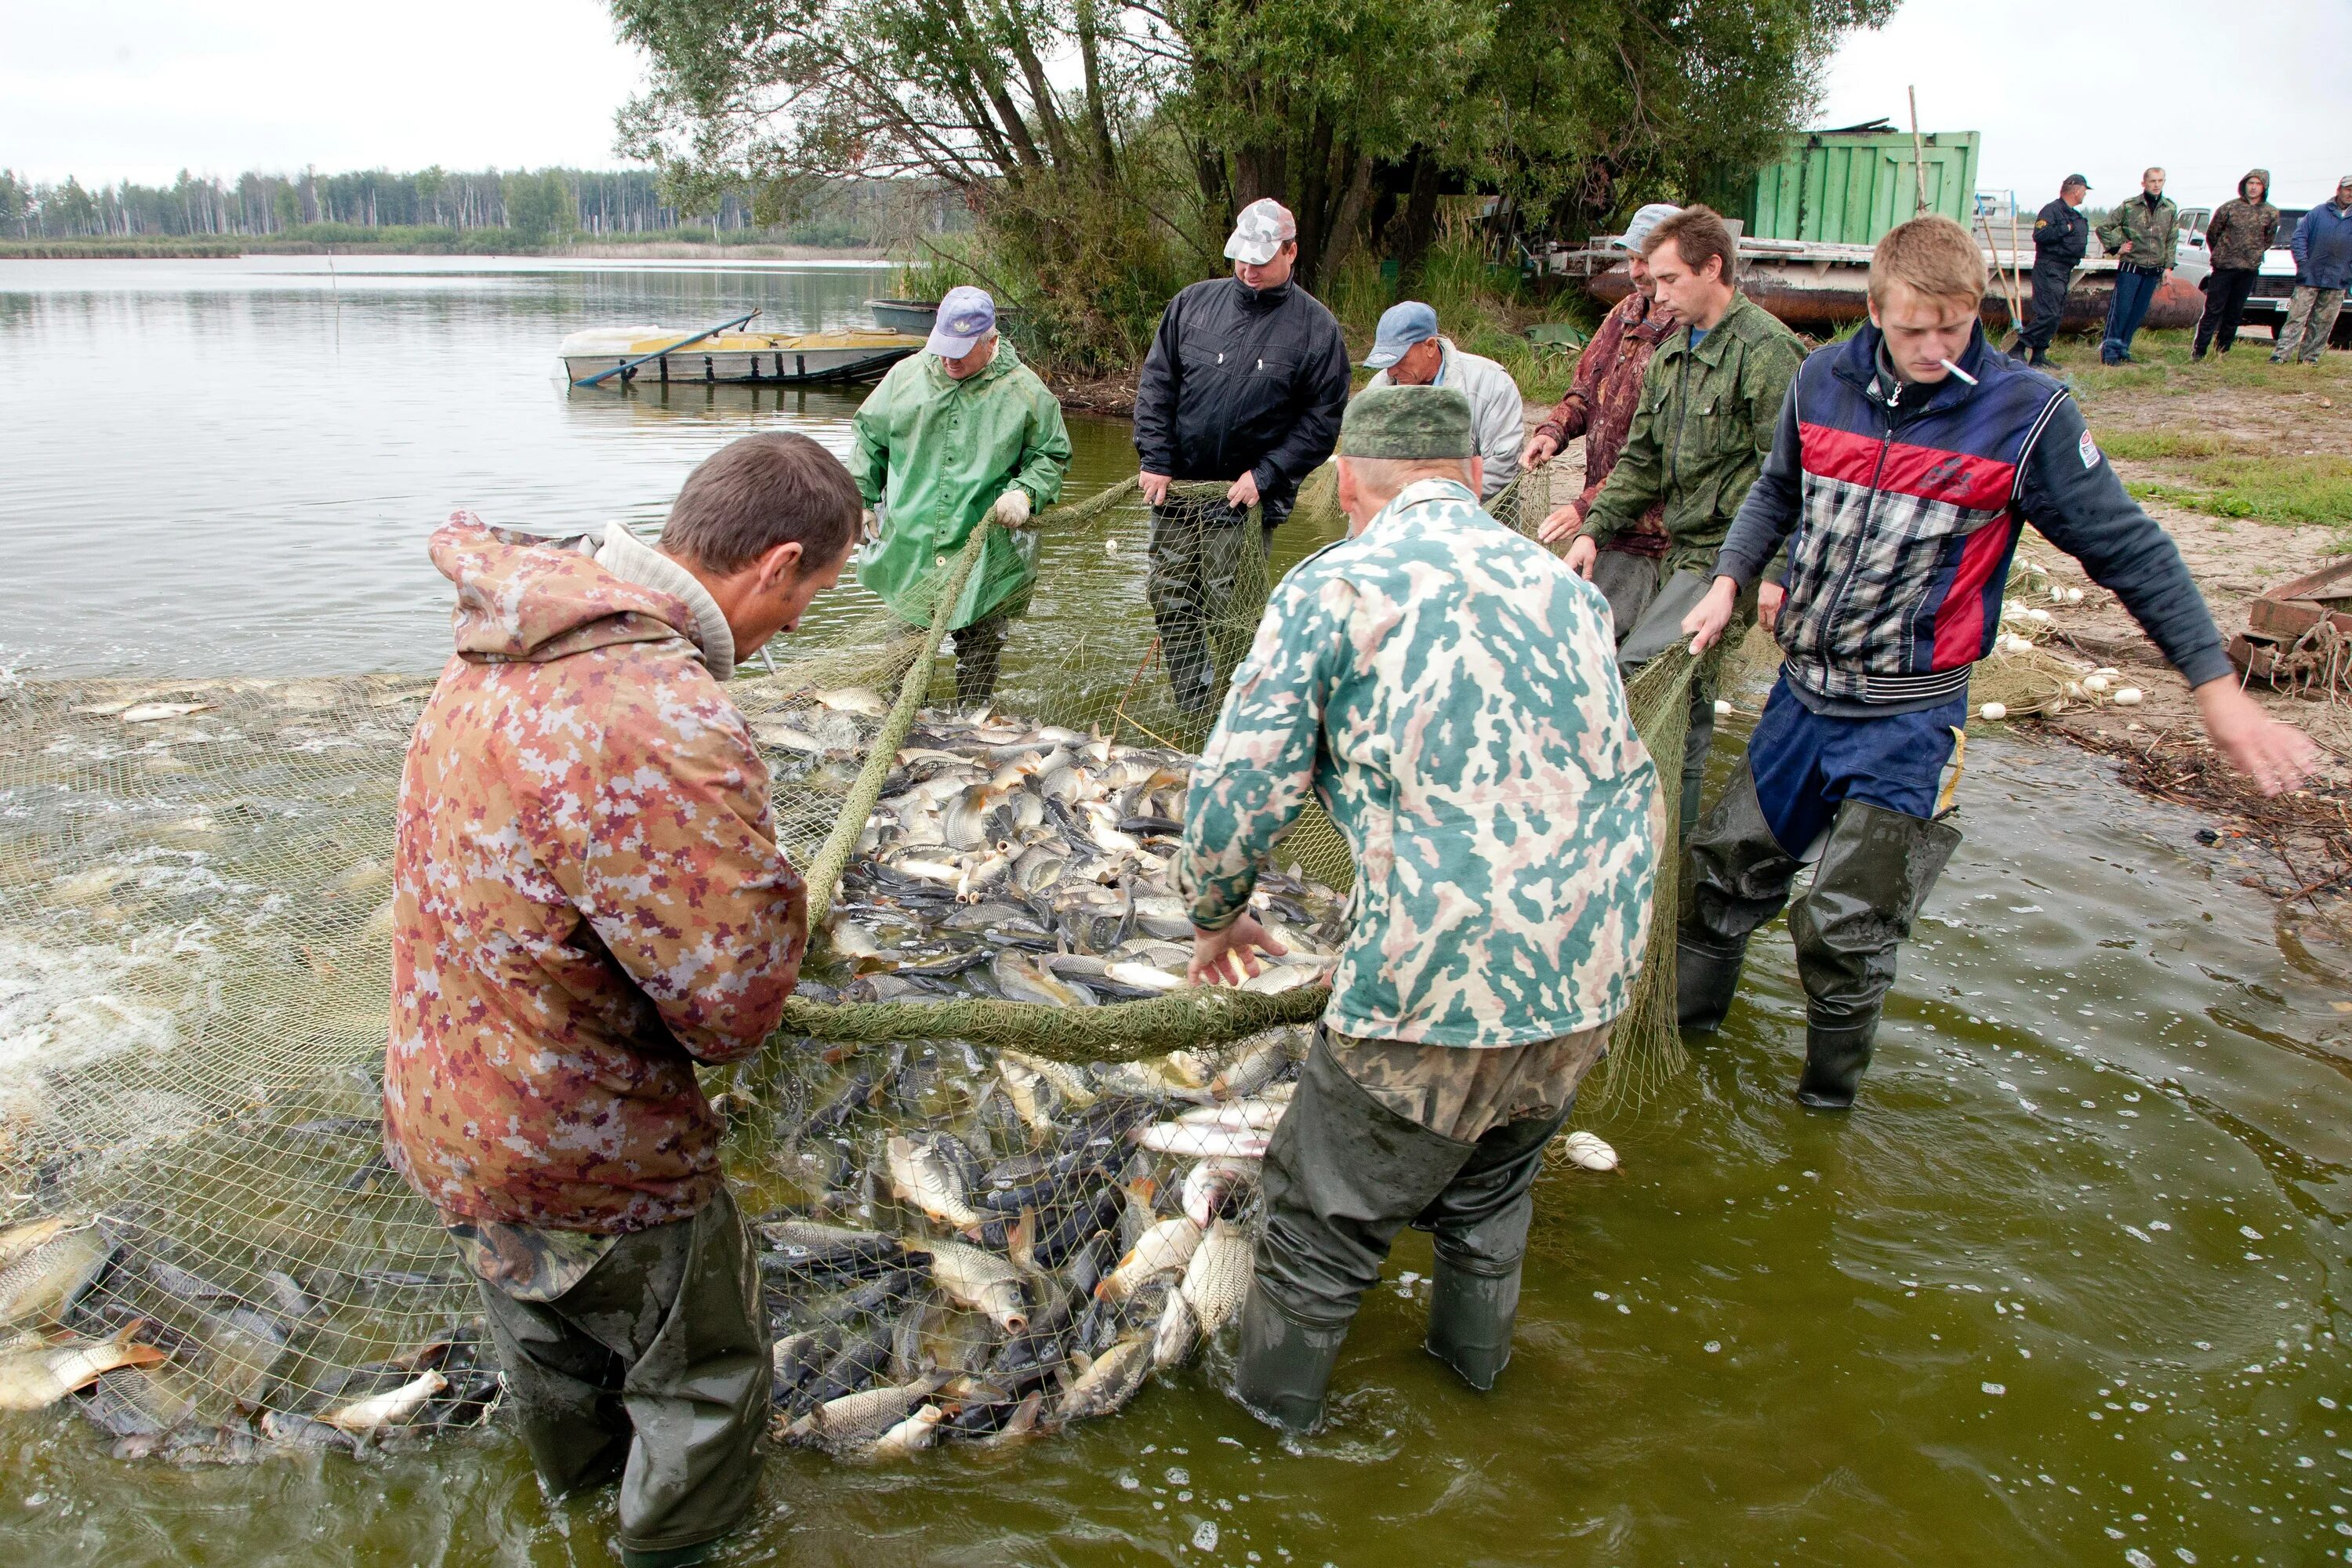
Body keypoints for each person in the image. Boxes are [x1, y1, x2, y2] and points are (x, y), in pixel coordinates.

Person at [1676, 216, 2319, 1111]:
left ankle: (1821, 1117)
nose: (1938, 347)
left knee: (1846, 928)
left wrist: (2216, 687)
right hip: (1801, 698)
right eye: (1914, 330)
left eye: (1957, 324)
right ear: (1873, 310)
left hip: (1910, 721)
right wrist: (1732, 576)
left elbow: (2130, 549)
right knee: (1720, 874)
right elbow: (1777, 489)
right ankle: (1683, 1057)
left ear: (1978, 308)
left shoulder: (2027, 413)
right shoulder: (1820, 378)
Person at [386, 434, 865, 1567]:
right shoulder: (657, 705)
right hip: (589, 1145)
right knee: (703, 1381)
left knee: (551, 1352)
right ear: (777, 563)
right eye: (813, 596)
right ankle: (669, 1553)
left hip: (451, 1112)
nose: (798, 625)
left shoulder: (503, 644)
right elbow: (731, 1011)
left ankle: (572, 1515)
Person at [1176, 384, 1661, 1434]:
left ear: (1348, 483)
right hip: (1595, 968)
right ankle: (1478, 1398)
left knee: (1321, 1225)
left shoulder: (1332, 586)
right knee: (1486, 1200)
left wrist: (1213, 914)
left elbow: (1234, 798)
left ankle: (1268, 1455)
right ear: (1476, 480)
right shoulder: (1569, 588)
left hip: (1439, 978)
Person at [1566, 204, 1806, 833]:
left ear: (1713, 268)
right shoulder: (1672, 352)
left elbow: (1791, 480)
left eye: (1670, 279)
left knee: (1641, 671)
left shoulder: (1767, 351)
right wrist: (1593, 528)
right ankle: (1673, 844)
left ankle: (1652, 836)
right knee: (1689, 709)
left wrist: (1774, 575)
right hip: (1676, 550)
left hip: (1730, 556)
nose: (1656, 291)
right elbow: (1639, 460)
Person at [1134, 198, 1352, 716]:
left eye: (1262, 259)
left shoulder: (1318, 330)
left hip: (1248, 499)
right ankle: (1194, 707)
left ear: (1292, 252)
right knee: (1171, 601)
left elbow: (1321, 425)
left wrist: (1267, 474)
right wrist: (1155, 456)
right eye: (1241, 259)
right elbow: (1157, 385)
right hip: (1178, 490)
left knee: (1232, 612)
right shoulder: (1192, 305)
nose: (1249, 271)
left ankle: (1241, 710)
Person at [851, 285, 1071, 707]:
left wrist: (1025, 494)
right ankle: (901, 733)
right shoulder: (904, 378)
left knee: (980, 662)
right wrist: (859, 499)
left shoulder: (1026, 392)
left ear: (991, 342)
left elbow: (1051, 455)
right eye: (943, 347)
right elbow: (868, 440)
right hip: (909, 550)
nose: (949, 359)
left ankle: (971, 726)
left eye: (961, 350)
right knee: (901, 664)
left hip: (984, 552)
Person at [1524, 201, 1682, 633]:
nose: (1635, 271)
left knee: (1604, 642)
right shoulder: (1624, 314)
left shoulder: (1687, 331)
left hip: (1650, 534)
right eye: (1631, 259)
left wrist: (1585, 506)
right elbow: (1583, 390)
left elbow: (1659, 452)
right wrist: (1553, 430)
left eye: (1645, 260)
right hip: (1605, 523)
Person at [1357, 299, 1522, 500]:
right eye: (1386, 362)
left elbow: (1505, 463)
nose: (1391, 371)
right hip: (1403, 516)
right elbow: (1366, 469)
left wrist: (1435, 500)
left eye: (1399, 359)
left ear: (1430, 346)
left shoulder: (1492, 382)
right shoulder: (1379, 388)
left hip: (1475, 517)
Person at [2096, 167, 2179, 365]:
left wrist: (2168, 268)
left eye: (2160, 181)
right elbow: (2103, 228)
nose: (2156, 185)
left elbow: (2171, 239)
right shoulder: (2130, 206)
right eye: (2152, 181)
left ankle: (2124, 349)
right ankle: (2110, 352)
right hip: (2131, 268)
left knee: (2138, 312)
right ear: (2144, 183)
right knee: (2121, 310)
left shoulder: (2170, 208)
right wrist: (2117, 248)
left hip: (2153, 270)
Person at [2194, 169, 2278, 360]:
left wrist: (2253, 254)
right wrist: (2223, 253)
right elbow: (2213, 233)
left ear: (2264, 187)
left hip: (2248, 269)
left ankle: (2222, 351)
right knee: (2213, 310)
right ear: (2244, 185)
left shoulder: (2270, 212)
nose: (2254, 187)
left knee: (2234, 312)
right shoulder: (2229, 208)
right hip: (2224, 267)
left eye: (2258, 183)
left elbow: (2268, 239)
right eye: (2250, 183)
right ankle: (2199, 351)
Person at [2270, 175, 2352, 365]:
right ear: (2339, 189)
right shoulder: (2318, 212)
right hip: (2310, 276)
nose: (2350, 193)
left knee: (2323, 322)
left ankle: (2309, 358)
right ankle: (2281, 355)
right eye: (2348, 189)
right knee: (2296, 318)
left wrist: (2349, 272)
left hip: (2337, 279)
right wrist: (2303, 264)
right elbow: (2299, 238)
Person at [2018, 175, 2091, 366]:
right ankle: (2018, 347)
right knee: (2048, 313)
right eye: (2084, 190)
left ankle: (2038, 355)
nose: (2085, 195)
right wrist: (2065, 229)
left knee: (2056, 314)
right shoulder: (2051, 211)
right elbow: (2040, 234)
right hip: (2049, 267)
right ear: (2076, 190)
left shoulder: (2073, 214)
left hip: (2063, 269)